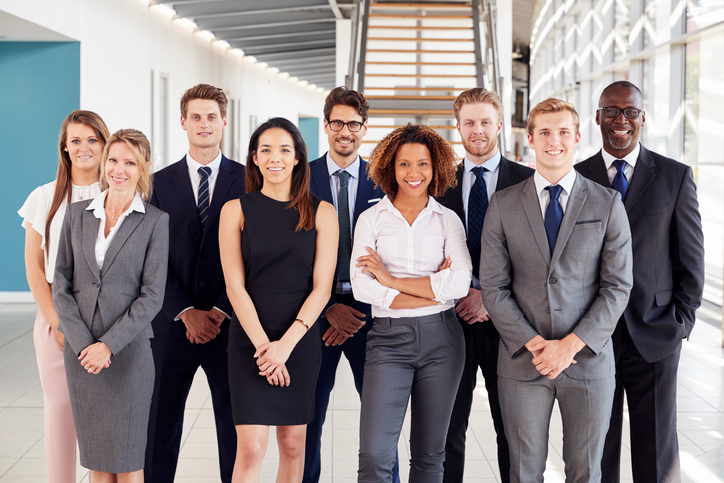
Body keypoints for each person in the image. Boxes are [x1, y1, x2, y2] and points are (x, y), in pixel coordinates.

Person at [480, 98, 633, 483]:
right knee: (524, 471)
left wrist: (569, 346)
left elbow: (617, 287)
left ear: (578, 137)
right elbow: (494, 287)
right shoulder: (503, 204)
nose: (554, 141)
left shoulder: (608, 203)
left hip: (588, 362)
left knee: (585, 471)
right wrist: (535, 344)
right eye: (544, 132)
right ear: (529, 138)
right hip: (522, 363)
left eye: (563, 132)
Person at [576, 81, 705, 483]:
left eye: (630, 111)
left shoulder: (674, 176)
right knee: (597, 445)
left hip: (656, 332)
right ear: (597, 118)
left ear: (643, 118)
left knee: (656, 450)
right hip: (592, 336)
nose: (621, 120)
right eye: (611, 111)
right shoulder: (576, 179)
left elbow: (692, 261)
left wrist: (680, 322)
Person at [219, 117, 338, 481]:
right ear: (254, 158)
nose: (275, 158)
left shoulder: (322, 212)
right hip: (250, 341)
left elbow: (322, 288)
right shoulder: (234, 211)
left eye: (285, 150)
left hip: (298, 342)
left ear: (298, 157)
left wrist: (284, 347)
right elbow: (234, 287)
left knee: (293, 446)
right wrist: (264, 349)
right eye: (266, 150)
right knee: (252, 447)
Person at [351, 124, 472, 482]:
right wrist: (433, 287)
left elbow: (460, 284)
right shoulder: (370, 219)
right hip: (388, 341)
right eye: (404, 164)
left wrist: (389, 279)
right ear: (391, 166)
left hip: (443, 341)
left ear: (436, 169)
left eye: (422, 164)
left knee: (430, 454)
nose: (413, 173)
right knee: (374, 455)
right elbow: (361, 288)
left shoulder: (448, 220)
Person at [53, 128, 169, 482]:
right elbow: (61, 284)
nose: (119, 170)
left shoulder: (155, 222)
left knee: (129, 462)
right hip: (82, 356)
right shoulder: (76, 215)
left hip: (129, 355)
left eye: (129, 162)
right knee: (98, 462)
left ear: (144, 167)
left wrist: (108, 346)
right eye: (113, 160)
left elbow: (152, 296)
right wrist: (84, 344)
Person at [145, 84, 245, 483]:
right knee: (159, 428)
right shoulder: (155, 183)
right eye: (196, 117)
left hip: (233, 326)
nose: (204, 124)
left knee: (234, 430)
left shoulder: (249, 181)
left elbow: (255, 255)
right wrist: (184, 310)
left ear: (224, 121)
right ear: (183, 122)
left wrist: (220, 309)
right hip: (169, 326)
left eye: (211, 117)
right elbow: (149, 258)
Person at [438, 87, 533, 483]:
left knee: (513, 433)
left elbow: (535, 258)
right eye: (469, 122)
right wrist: (465, 291)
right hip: (451, 323)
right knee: (446, 431)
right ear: (457, 127)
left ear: (499, 125)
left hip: (509, 326)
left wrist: (489, 299)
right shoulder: (439, 182)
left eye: (485, 122)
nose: (478, 130)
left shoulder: (528, 180)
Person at [304, 86, 399, 483]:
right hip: (311, 315)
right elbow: (288, 254)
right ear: (326, 126)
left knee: (381, 426)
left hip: (370, 317)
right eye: (338, 122)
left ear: (365, 129)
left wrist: (361, 308)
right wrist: (326, 308)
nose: (346, 131)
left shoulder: (387, 181)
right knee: (307, 423)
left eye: (354, 124)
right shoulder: (299, 177)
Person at [18, 110, 110, 483]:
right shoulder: (43, 197)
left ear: (105, 144)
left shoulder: (120, 193)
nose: (84, 147)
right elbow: (34, 269)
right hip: (58, 314)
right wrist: (60, 324)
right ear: (65, 147)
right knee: (60, 411)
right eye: (76, 140)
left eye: (92, 139)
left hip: (109, 316)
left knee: (106, 417)